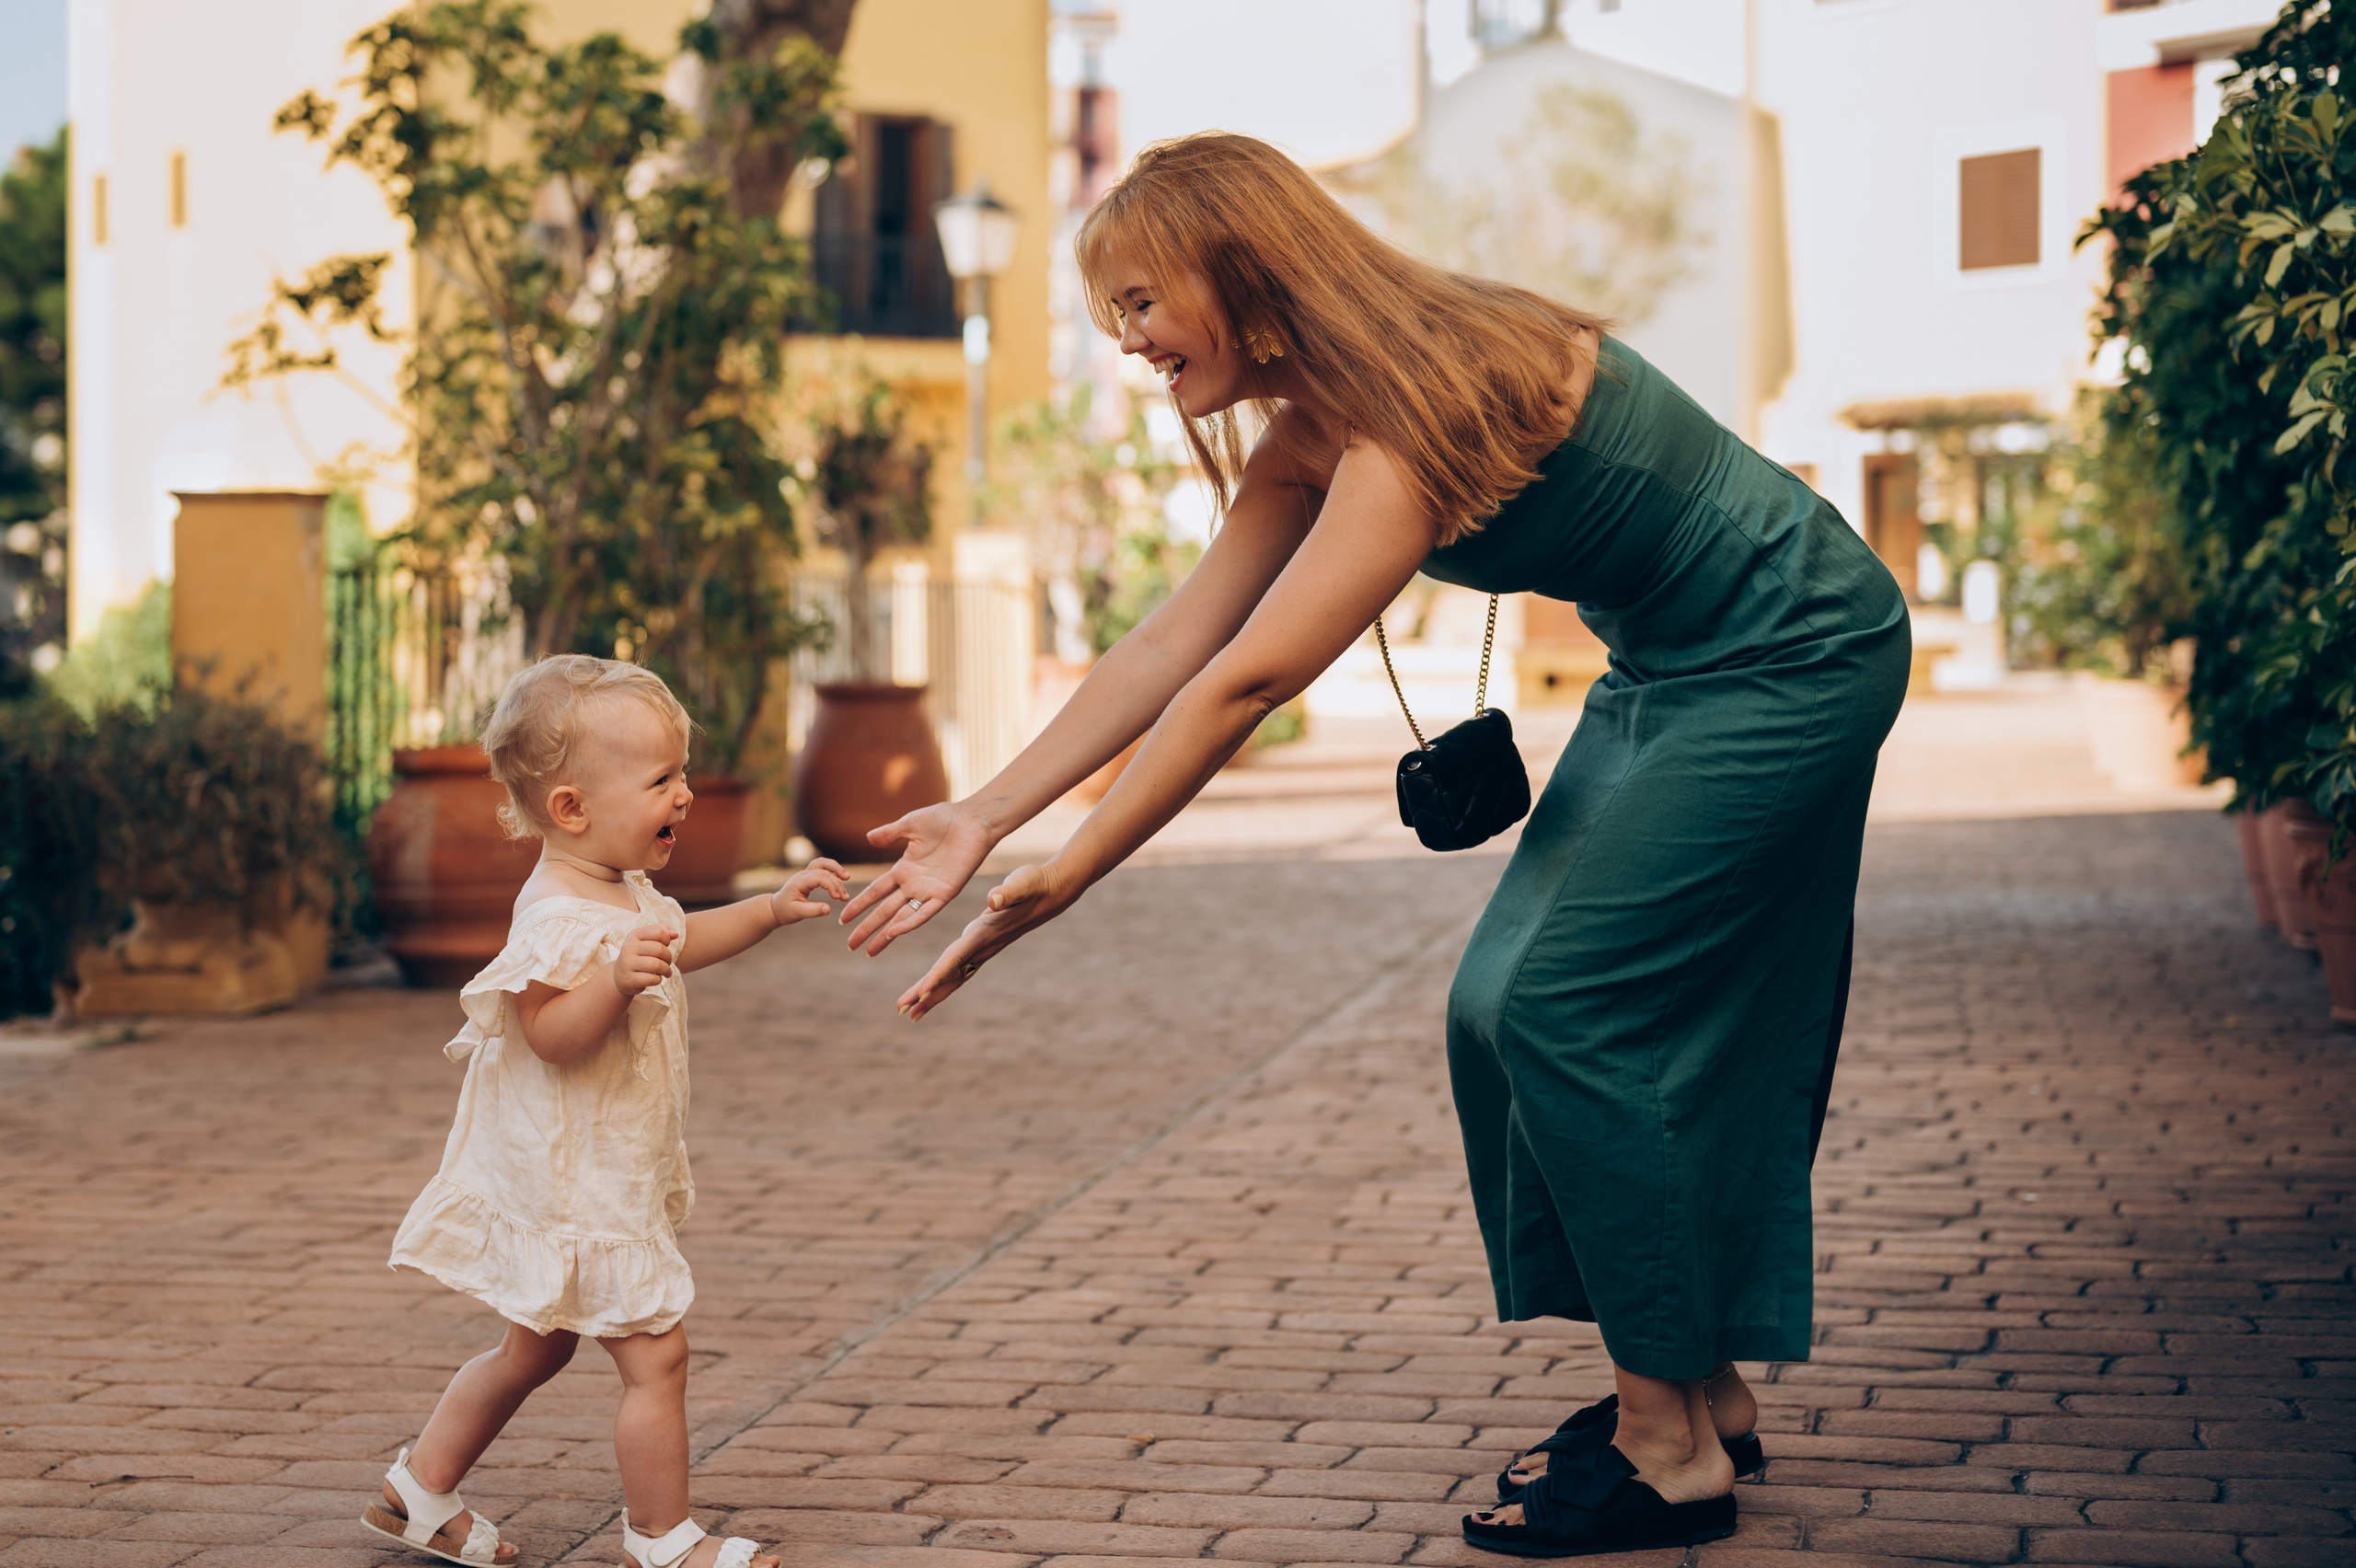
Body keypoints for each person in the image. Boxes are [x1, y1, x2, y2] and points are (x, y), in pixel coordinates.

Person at [837, 132, 1908, 1557]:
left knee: (1567, 1013)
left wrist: (1077, 864)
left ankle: (1668, 1453)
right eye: (1115, 315)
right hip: (1671, 667)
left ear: (1243, 271)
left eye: (1144, 304)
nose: (1128, 341)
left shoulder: (1416, 408)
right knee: (1496, 1010)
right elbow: (1178, 636)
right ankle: (1702, 1388)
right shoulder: (1315, 427)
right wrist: (983, 813)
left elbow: (1249, 679)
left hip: (1794, 652)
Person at [364, 655, 849, 1568]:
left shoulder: (618, 888)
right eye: (661, 779)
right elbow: (548, 1032)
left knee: (533, 1352)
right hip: (576, 1181)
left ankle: (417, 1491)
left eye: (683, 772)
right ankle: (662, 1540)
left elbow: (682, 936)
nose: (687, 794)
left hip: (596, 1168)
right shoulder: (553, 917)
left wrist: (770, 910)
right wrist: (612, 986)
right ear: (572, 810)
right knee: (656, 1356)